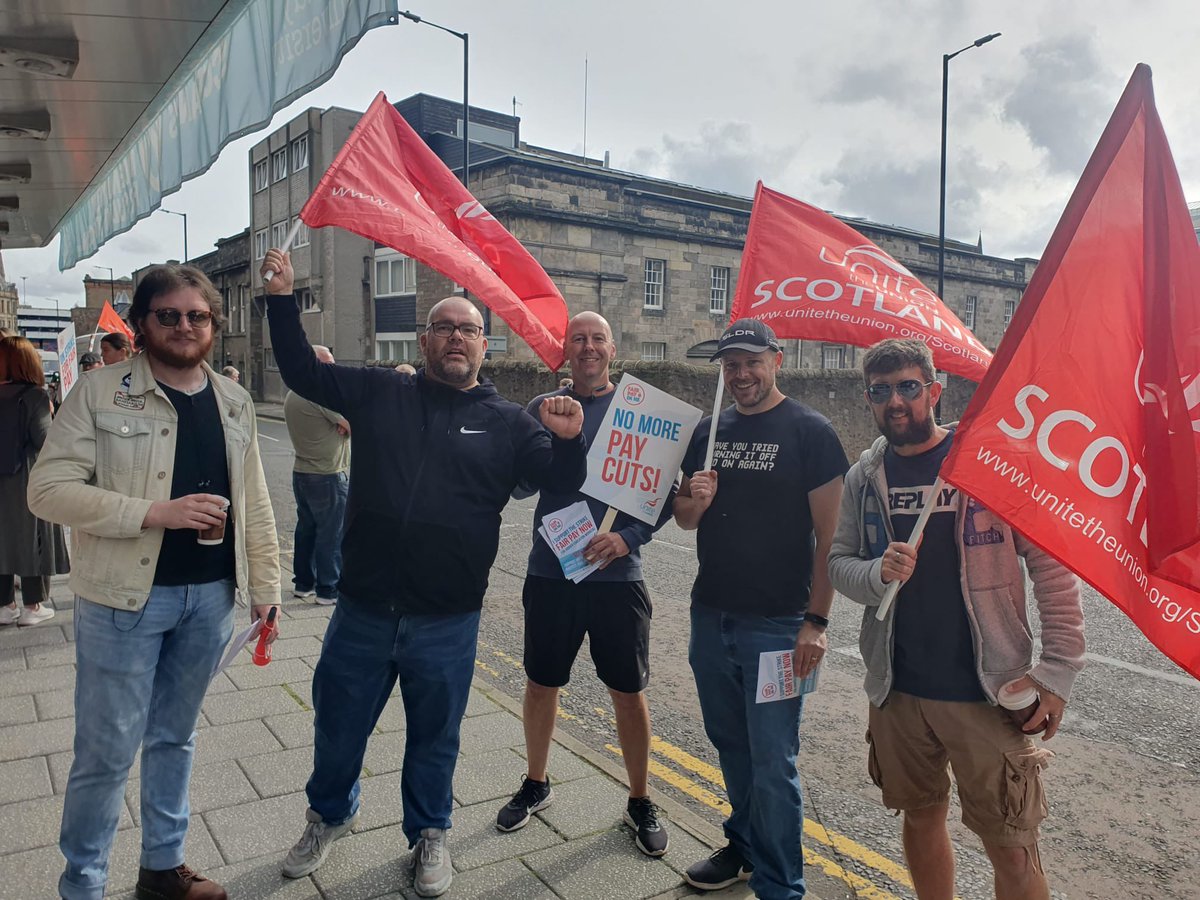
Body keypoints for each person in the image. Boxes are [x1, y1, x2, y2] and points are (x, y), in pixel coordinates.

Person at [261, 248, 587, 898]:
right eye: (444, 327)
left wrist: (571, 438)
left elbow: (560, 483)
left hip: (447, 618)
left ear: (485, 345)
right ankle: (329, 815)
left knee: (435, 738)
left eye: (468, 329)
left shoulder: (509, 423)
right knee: (337, 725)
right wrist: (280, 298)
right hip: (362, 608)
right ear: (424, 340)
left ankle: (431, 832)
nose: (456, 337)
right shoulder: (382, 391)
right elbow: (301, 370)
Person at [28, 263, 281, 900]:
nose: (184, 326)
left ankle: (162, 869)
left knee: (175, 737)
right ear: (142, 323)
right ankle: (82, 885)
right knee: (106, 751)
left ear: (214, 324)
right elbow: (47, 490)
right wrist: (153, 513)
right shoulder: (100, 392)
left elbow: (254, 499)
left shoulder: (234, 400)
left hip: (210, 600)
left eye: (197, 316)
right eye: (168, 315)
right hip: (123, 601)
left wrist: (267, 588)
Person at [828, 338, 1085, 900]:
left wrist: (1058, 669)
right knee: (920, 819)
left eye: (908, 387)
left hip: (986, 692)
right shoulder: (863, 477)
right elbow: (839, 564)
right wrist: (876, 573)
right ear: (868, 399)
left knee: (1012, 845)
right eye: (880, 391)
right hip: (898, 690)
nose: (895, 401)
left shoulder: (988, 463)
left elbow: (1052, 566)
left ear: (935, 391)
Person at [674, 319, 847, 900]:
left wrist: (816, 622)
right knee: (730, 745)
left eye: (752, 361)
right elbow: (684, 519)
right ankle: (745, 847)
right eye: (731, 364)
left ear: (777, 359)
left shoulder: (810, 432)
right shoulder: (708, 431)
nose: (741, 373)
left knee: (774, 760)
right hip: (710, 616)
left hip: (778, 624)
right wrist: (696, 502)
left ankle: (781, 886)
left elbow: (832, 540)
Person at [496, 312, 674, 856]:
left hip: (619, 577)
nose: (589, 346)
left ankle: (640, 798)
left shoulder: (643, 413)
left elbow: (662, 495)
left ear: (612, 349)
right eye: (579, 338)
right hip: (552, 571)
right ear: (566, 350)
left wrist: (627, 538)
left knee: (628, 692)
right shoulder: (543, 406)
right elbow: (522, 486)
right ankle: (536, 781)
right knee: (541, 682)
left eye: (598, 338)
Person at [0, 336, 68, 626]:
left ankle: (5, 604)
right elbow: (44, 439)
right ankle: (32, 604)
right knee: (33, 535)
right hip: (26, 475)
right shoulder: (35, 396)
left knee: (2, 538)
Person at [283, 346, 350, 605]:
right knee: (331, 533)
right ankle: (328, 589)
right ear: (315, 363)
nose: (333, 368)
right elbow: (352, 422)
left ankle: (303, 584)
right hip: (327, 474)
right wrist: (342, 425)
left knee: (306, 530)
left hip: (302, 472)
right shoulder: (318, 393)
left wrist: (341, 424)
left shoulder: (294, 392)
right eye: (328, 363)